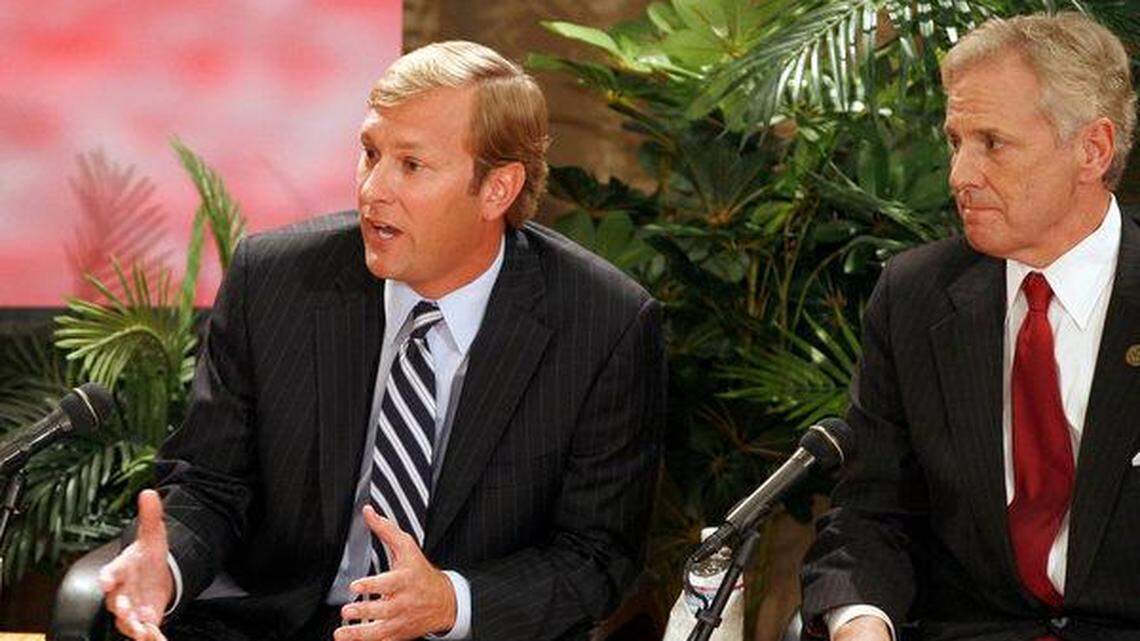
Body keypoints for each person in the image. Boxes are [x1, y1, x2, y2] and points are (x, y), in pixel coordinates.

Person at [97, 40, 665, 641]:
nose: (373, 190)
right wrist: (167, 566)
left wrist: (450, 602)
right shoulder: (276, 281)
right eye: (370, 153)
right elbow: (212, 484)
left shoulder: (603, 324)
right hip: (282, 625)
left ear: (497, 189)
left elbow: (597, 555)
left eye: (411, 165)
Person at [800, 12, 1140, 641]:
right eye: (956, 141)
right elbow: (871, 512)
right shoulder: (915, 296)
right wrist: (861, 622)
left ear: (1092, 149)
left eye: (993, 143)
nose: (960, 176)